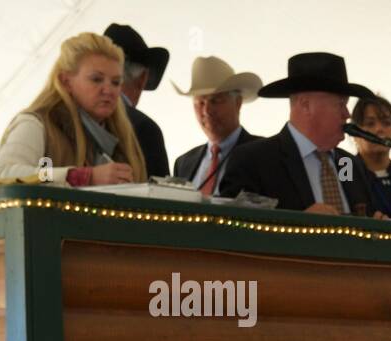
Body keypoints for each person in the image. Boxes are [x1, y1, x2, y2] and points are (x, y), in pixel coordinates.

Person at [218, 52, 376, 216]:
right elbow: (234, 223)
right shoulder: (255, 161)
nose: (347, 114)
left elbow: (360, 208)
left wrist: (377, 222)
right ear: (306, 105)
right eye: (340, 104)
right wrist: (299, 223)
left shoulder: (346, 163)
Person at [0, 32, 145, 187]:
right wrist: (82, 177)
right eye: (96, 79)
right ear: (65, 82)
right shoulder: (36, 124)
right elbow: (4, 173)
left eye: (116, 82)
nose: (108, 90)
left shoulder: (124, 138)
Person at [172, 57, 263, 196]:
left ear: (238, 103)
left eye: (215, 101)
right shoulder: (183, 163)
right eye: (200, 103)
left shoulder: (263, 154)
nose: (207, 111)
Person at [103, 23, 169, 177]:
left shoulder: (57, 119)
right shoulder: (145, 128)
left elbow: (46, 177)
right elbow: (160, 190)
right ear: (143, 78)